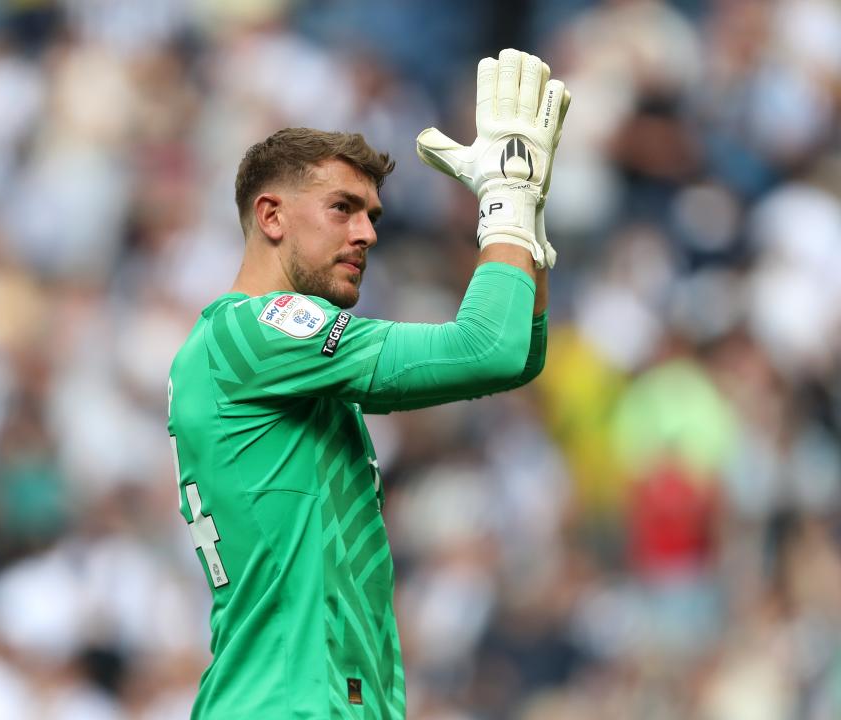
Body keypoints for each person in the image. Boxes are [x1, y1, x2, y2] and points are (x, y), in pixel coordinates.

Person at [167, 48, 569, 719]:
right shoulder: (257, 331)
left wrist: (525, 222)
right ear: (272, 217)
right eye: (342, 209)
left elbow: (518, 356)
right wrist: (505, 201)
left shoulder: (273, 359)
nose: (365, 234)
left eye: (373, 216)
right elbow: (487, 348)